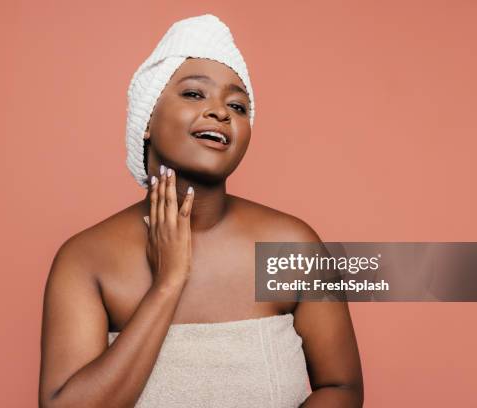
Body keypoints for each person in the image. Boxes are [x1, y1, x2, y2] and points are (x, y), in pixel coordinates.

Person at [39, 14, 363, 408]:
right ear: (146, 118)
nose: (221, 113)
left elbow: (341, 388)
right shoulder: (85, 259)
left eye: (238, 106)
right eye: (194, 94)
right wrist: (168, 283)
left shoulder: (291, 245)